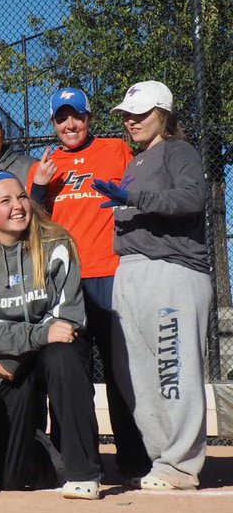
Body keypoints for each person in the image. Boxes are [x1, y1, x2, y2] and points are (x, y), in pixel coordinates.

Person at [0, 170, 102, 499]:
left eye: (21, 197)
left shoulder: (56, 242)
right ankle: (41, 448)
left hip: (44, 351)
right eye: (5, 201)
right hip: (2, 360)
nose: (18, 206)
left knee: (66, 357)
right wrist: (23, 348)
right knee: (10, 477)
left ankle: (83, 472)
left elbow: (68, 318)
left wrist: (25, 349)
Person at [30, 87, 149, 480]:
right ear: (53, 124)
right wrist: (40, 188)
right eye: (62, 118)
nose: (70, 124)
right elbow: (31, 222)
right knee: (71, 372)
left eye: (76, 116)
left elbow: (140, 192)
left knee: (121, 372)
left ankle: (134, 460)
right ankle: (79, 462)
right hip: (67, 284)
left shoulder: (116, 150)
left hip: (112, 273)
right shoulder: (43, 166)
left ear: (89, 118)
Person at [97, 80, 211, 491]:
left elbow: (191, 198)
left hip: (172, 271)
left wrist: (136, 197)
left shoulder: (178, 150)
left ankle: (181, 464)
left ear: (163, 112)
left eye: (140, 114)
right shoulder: (137, 160)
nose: (131, 121)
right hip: (132, 270)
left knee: (171, 367)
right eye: (127, 115)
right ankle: (164, 459)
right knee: (135, 375)